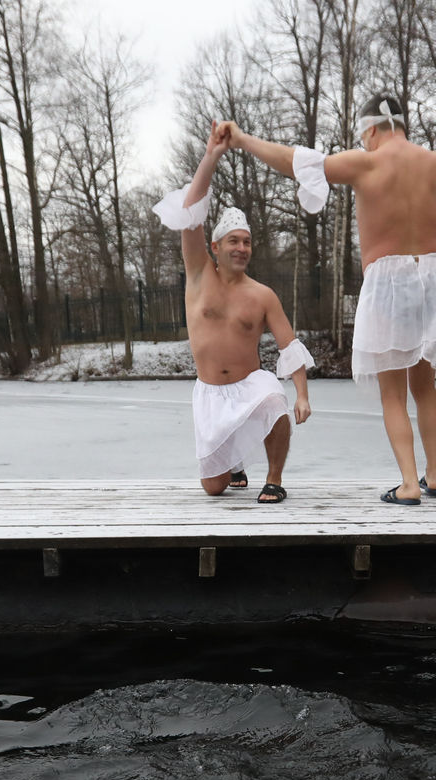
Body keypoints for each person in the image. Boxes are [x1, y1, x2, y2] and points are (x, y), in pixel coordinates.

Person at [218, 95, 436, 507]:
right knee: (425, 388)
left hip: (390, 279)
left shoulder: (367, 162)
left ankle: (408, 482)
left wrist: (242, 139)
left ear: (371, 130)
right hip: (433, 276)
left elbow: (295, 161)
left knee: (393, 393)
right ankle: (434, 476)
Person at [152, 125, 313, 504]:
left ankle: (273, 479)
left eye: (247, 241)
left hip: (248, 385)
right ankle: (234, 460)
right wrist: (211, 156)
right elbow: (191, 211)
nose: (241, 248)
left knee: (274, 400)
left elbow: (289, 346)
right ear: (215, 246)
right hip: (209, 393)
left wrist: (302, 394)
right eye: (233, 241)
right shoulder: (198, 273)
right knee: (214, 488)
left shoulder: (262, 295)